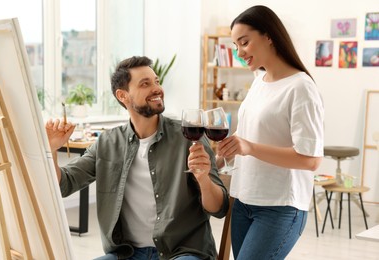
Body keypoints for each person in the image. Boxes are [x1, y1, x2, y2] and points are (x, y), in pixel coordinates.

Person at [45, 56, 229, 260]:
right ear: (123, 95)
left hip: (182, 253)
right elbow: (63, 185)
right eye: (145, 84)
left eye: (157, 82)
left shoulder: (188, 138)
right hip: (127, 254)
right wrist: (52, 150)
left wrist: (203, 180)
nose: (157, 88)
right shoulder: (107, 143)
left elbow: (219, 208)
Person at [217, 5, 324, 260]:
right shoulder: (258, 81)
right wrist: (222, 157)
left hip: (280, 207)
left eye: (244, 42)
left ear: (268, 35)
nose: (240, 52)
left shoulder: (301, 88)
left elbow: (310, 159)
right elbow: (247, 136)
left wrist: (249, 148)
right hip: (243, 200)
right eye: (235, 45)